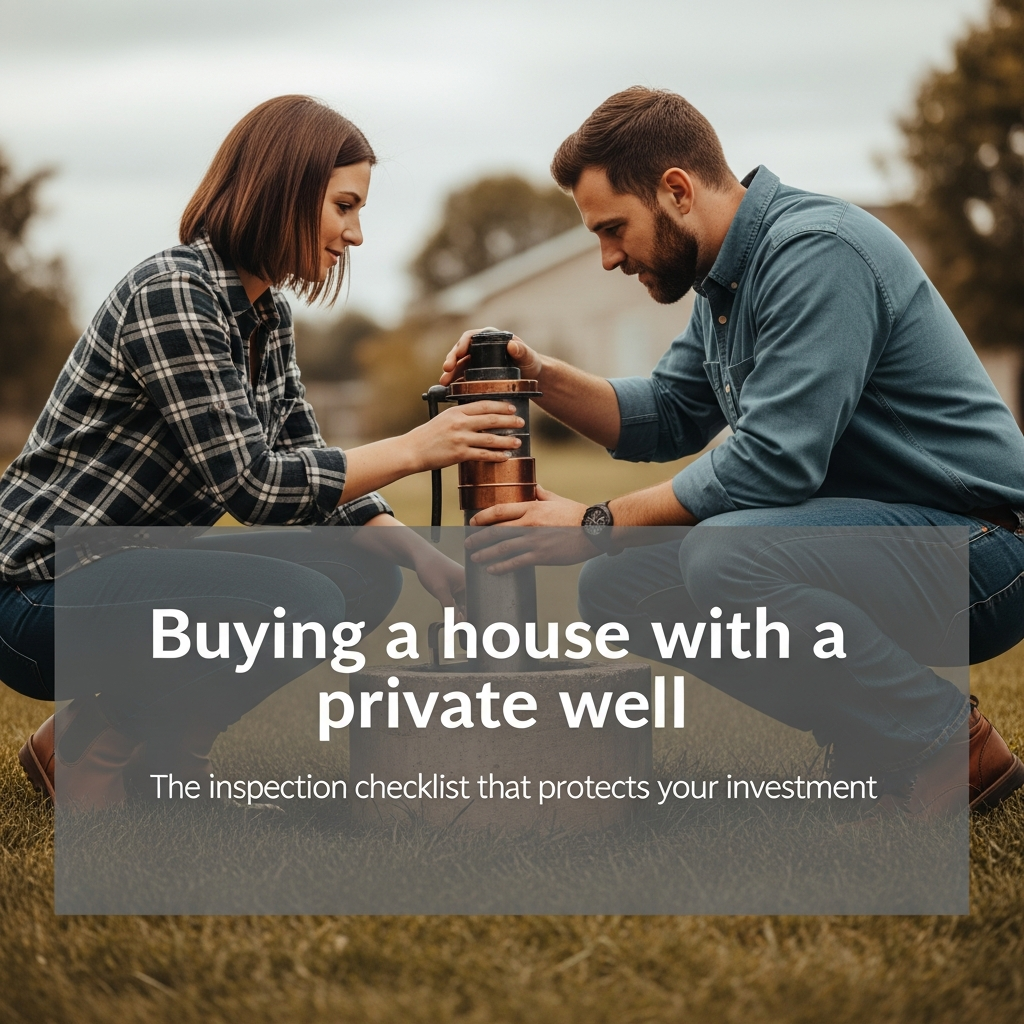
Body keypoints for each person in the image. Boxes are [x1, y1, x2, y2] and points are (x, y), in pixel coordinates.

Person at [440, 86, 1024, 818]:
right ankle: (878, 740)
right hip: (882, 540)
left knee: (725, 553)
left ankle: (947, 745)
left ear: (676, 190)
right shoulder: (725, 283)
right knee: (617, 590)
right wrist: (540, 376)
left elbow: (774, 460)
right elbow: (668, 414)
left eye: (614, 228)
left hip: (984, 550)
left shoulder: (816, 253)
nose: (608, 257)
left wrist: (594, 524)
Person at [0, 95, 525, 809]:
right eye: (344, 206)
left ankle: (169, 762)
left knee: (370, 576)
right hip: (38, 596)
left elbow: (302, 451)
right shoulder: (173, 293)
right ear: (285, 190)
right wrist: (416, 449)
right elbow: (253, 487)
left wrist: (421, 555)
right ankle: (97, 744)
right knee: (303, 602)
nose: (357, 234)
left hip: (125, 570)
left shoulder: (263, 314)